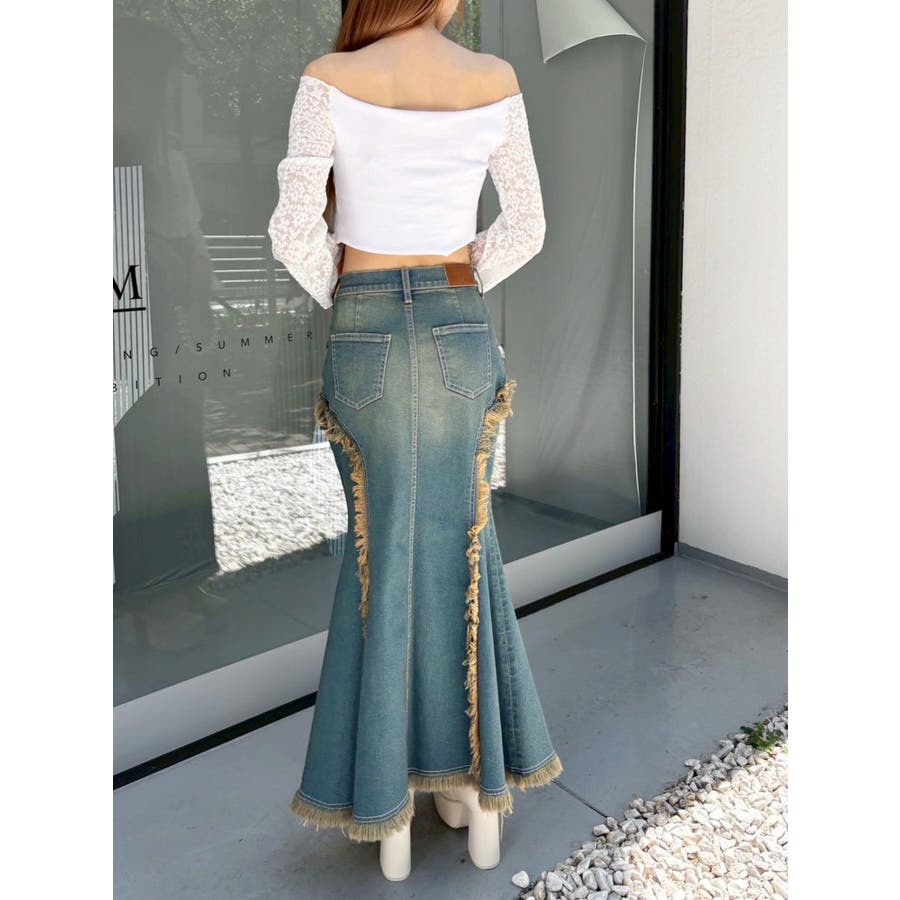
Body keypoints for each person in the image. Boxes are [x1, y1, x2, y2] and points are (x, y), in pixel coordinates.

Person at [267, 0, 562, 880]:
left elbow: (291, 230)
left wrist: (352, 295)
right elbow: (527, 225)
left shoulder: (330, 79)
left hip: (365, 332)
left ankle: (386, 805)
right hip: (458, 325)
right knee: (465, 547)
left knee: (382, 551)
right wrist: (455, 283)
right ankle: (477, 796)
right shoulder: (493, 79)